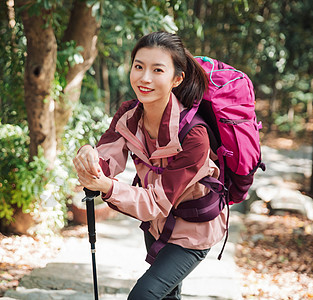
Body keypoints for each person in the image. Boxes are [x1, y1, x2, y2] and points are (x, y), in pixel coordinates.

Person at [73, 31, 227, 299]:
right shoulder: (129, 115)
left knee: (144, 295)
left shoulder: (194, 136)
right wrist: (90, 159)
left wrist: (108, 187)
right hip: (156, 225)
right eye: (139, 66)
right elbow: (106, 160)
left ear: (176, 79)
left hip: (193, 229)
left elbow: (158, 200)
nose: (145, 78)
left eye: (157, 70)